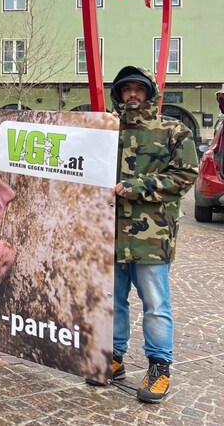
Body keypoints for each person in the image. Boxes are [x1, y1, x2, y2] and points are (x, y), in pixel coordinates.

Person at [92, 66, 198, 403]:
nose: (133, 95)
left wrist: (138, 187)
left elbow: (184, 176)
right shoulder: (107, 130)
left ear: (149, 93)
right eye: (126, 90)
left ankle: (159, 365)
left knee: (155, 304)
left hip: (151, 236)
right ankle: (116, 356)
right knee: (115, 301)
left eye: (139, 89)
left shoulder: (173, 131)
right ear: (119, 94)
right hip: (112, 234)